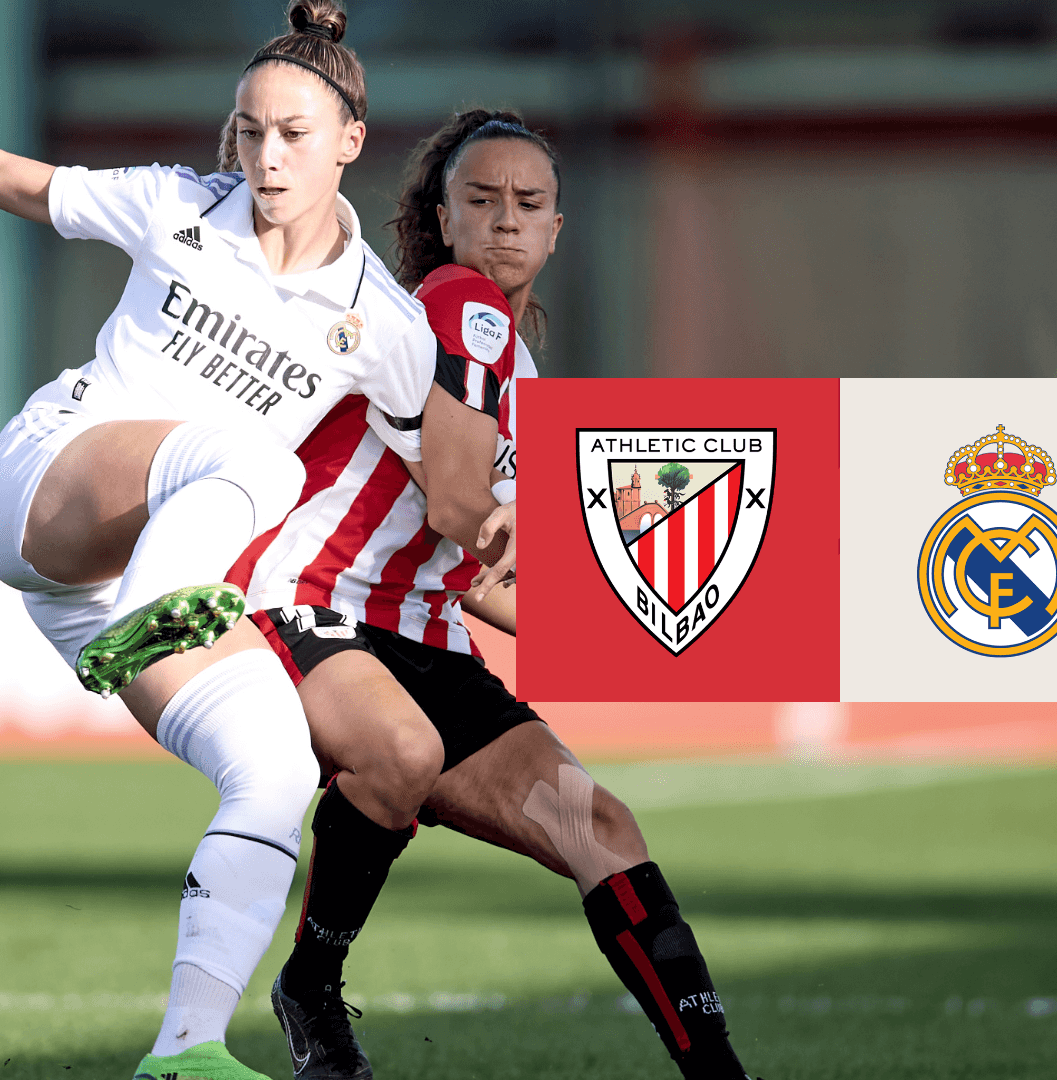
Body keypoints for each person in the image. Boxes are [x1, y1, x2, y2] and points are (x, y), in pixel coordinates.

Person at [0, 7, 508, 1079]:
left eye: (293, 134)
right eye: (250, 130)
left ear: (350, 139)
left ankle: (186, 1052)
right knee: (261, 460)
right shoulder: (176, 205)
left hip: (119, 592)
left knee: (276, 771)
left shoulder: (384, 325)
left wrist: (536, 560)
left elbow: (452, 500)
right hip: (50, 485)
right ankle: (163, 607)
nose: (266, 157)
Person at [229, 109, 759, 1080]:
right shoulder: (458, 302)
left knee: (602, 831)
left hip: (423, 633)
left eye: (528, 202)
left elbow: (480, 572)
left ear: (557, 227)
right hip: (314, 603)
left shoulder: (516, 362)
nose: (506, 218)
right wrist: (641, 596)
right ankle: (311, 983)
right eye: (482, 199)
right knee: (402, 751)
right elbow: (461, 509)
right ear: (444, 219)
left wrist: (644, 632)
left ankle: (722, 1075)